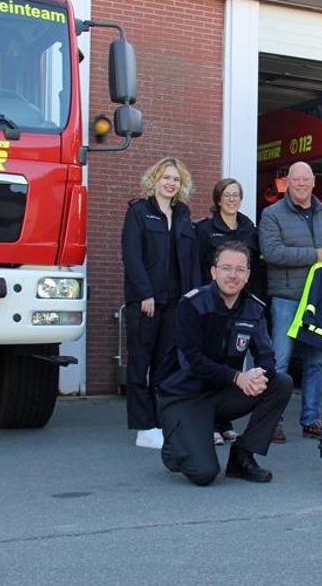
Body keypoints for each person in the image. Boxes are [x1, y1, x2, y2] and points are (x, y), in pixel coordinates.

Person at [158, 242, 293, 486]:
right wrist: (237, 378)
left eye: (240, 269)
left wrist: (259, 375)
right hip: (184, 397)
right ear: (213, 272)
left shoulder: (254, 308)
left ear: (248, 275)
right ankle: (175, 444)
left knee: (280, 383)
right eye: (226, 268)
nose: (233, 275)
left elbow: (266, 354)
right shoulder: (192, 305)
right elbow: (192, 361)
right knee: (204, 474)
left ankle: (242, 458)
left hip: (220, 395)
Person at [121, 157, 199, 449]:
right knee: (141, 364)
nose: (170, 183)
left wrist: (190, 300)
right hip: (146, 302)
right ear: (154, 180)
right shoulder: (139, 212)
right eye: (166, 177)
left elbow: (189, 261)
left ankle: (160, 421)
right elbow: (132, 256)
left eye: (176, 179)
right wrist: (144, 294)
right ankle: (143, 427)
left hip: (175, 303)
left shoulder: (182, 214)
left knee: (166, 366)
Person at [259, 161, 322, 441]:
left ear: (314, 182)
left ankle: (311, 420)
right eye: (296, 180)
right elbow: (272, 253)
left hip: (319, 300)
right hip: (287, 298)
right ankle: (272, 421)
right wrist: (314, 255)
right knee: (279, 361)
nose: (301, 184)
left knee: (316, 361)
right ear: (287, 183)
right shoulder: (272, 215)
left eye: (306, 179)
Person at [195, 178, 264, 445]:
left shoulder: (249, 229)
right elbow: (199, 267)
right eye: (227, 195)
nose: (232, 199)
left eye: (236, 194)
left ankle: (224, 424)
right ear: (218, 199)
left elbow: (256, 268)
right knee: (213, 361)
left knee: (233, 362)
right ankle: (208, 422)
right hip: (213, 304)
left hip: (241, 305)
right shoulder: (205, 230)